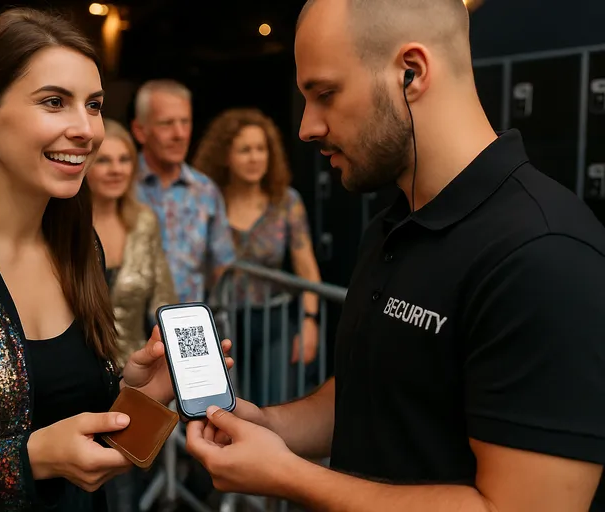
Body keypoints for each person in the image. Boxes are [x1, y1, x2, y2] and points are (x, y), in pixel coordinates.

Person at [185, 0, 605, 510]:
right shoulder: (393, 222)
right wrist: (270, 427)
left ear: (412, 72)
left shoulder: (544, 254)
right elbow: (375, 391)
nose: (306, 128)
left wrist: (289, 476)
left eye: (325, 94)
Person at [0, 9, 232, 511]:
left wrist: (139, 396)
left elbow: (85, 436)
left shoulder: (78, 246)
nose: (85, 130)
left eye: (93, 105)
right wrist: (33, 460)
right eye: (54, 102)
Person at [192, 107, 322, 406]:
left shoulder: (286, 201)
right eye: (244, 150)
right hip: (222, 324)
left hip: (273, 320)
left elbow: (307, 269)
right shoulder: (208, 201)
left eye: (261, 149)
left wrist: (309, 322)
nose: (254, 158)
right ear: (226, 155)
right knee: (226, 408)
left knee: (274, 406)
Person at [131, 79, 236, 305]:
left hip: (188, 326)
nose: (179, 134)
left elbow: (223, 267)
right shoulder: (121, 185)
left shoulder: (205, 190)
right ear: (140, 131)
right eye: (166, 124)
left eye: (185, 122)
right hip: (126, 331)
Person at [89, 118, 177, 368]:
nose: (116, 170)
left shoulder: (144, 222)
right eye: (104, 160)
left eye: (124, 160)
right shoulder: (63, 227)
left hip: (136, 372)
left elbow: (165, 300)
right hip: (80, 374)